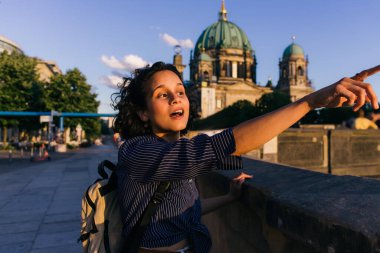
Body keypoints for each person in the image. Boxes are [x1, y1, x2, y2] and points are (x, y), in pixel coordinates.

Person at [112, 62, 379, 253]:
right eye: (162, 94)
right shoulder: (139, 152)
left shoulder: (175, 153)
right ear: (142, 112)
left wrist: (228, 198)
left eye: (180, 91)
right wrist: (310, 102)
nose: (175, 99)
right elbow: (229, 144)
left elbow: (181, 211)